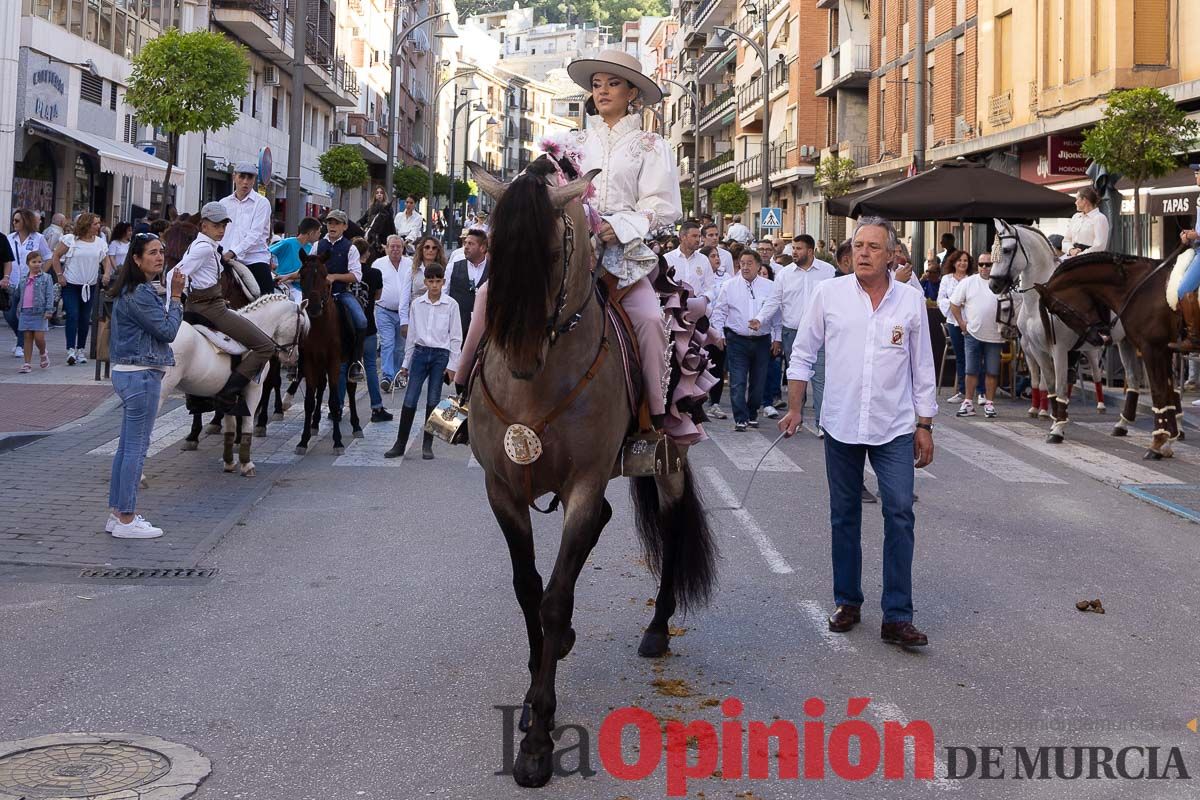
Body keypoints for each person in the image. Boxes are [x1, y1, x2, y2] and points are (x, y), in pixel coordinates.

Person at [779, 216, 937, 648]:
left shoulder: (909, 301)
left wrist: (925, 425)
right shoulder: (828, 295)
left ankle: (897, 616)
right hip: (843, 423)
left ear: (892, 255)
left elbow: (923, 367)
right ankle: (848, 601)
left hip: (895, 427)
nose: (863, 252)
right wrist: (795, 408)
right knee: (844, 517)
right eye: (858, 245)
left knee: (900, 512)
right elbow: (803, 353)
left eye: (872, 246)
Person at [566, 48, 683, 430]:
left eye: (613, 84)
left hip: (624, 256)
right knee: (491, 295)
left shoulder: (651, 144)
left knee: (650, 320)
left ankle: (653, 422)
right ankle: (463, 396)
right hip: (570, 250)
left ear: (632, 92)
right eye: (597, 85)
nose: (602, 92)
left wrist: (623, 226)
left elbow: (664, 206)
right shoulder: (572, 143)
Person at [104, 233, 185, 539]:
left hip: (131, 372)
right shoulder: (139, 292)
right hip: (141, 374)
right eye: (152, 253)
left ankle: (117, 513)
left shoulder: (137, 289)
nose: (160, 257)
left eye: (161, 251)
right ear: (136, 259)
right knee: (136, 449)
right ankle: (126, 518)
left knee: (127, 447)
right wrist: (176, 297)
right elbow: (167, 330)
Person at [176, 202, 276, 411]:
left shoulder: (205, 246)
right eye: (216, 225)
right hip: (211, 308)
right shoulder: (204, 248)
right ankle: (228, 395)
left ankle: (197, 397)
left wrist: (186, 295)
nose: (221, 230)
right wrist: (176, 296)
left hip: (200, 303)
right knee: (266, 346)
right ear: (203, 226)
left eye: (223, 225)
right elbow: (176, 274)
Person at [751, 234, 835, 435]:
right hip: (793, 333)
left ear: (811, 251)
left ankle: (821, 424)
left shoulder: (828, 271)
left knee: (820, 378)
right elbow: (774, 301)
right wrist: (760, 319)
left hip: (820, 333)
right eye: (793, 248)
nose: (794, 252)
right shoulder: (785, 274)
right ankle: (795, 417)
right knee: (797, 376)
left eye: (798, 248)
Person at [384, 263, 461, 460]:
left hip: (440, 355)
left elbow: (455, 337)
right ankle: (400, 443)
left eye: (438, 281)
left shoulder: (451, 304)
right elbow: (412, 336)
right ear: (425, 282)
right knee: (410, 398)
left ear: (443, 282)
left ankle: (428, 445)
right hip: (419, 353)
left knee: (434, 399)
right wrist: (405, 364)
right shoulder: (417, 304)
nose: (434, 285)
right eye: (431, 281)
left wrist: (453, 365)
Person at [710, 250, 780, 431]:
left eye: (750, 263)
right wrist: (719, 334)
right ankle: (740, 417)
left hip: (762, 340)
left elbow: (776, 316)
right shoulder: (729, 285)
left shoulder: (770, 286)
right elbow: (720, 312)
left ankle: (752, 412)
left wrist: (777, 338)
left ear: (758, 265)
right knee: (738, 381)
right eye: (742, 263)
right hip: (736, 340)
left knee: (758, 382)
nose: (745, 267)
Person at [49, 212, 114, 366]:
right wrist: (59, 275)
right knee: (73, 315)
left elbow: (106, 261)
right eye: (95, 224)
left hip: (89, 286)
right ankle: (70, 349)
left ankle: (81, 349)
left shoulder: (99, 243)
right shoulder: (70, 240)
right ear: (86, 225)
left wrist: (106, 274)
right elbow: (56, 256)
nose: (98, 227)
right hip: (71, 284)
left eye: (98, 223)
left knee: (86, 318)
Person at [337, 238, 391, 422]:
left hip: (346, 329)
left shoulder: (345, 273)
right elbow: (378, 296)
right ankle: (376, 407)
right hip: (368, 327)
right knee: (370, 367)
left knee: (343, 367)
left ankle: (336, 407)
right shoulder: (375, 273)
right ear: (367, 254)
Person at [316, 210, 368, 383]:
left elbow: (356, 276)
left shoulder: (350, 248)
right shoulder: (318, 245)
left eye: (337, 223)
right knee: (298, 318)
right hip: (319, 295)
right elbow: (308, 267)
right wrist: (286, 276)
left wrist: (335, 277)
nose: (332, 226)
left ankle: (355, 362)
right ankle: (297, 361)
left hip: (340, 292)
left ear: (345, 226)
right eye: (330, 223)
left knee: (361, 321)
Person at [949, 253, 1004, 418]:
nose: (985, 268)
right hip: (973, 332)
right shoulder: (969, 282)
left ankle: (989, 403)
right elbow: (954, 304)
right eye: (981, 264)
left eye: (988, 264)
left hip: (995, 334)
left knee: (992, 371)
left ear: (994, 265)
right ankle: (968, 402)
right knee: (971, 370)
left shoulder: (1002, 283)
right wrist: (961, 323)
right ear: (978, 265)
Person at [220, 161, 274, 297]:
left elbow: (255, 235)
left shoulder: (262, 203)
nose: (245, 182)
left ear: (254, 180)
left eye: (249, 178)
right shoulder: (223, 203)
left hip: (254, 259)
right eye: (241, 177)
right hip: (224, 258)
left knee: (268, 300)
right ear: (234, 177)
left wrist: (232, 252)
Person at [936, 250, 982, 404]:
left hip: (971, 321)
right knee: (961, 357)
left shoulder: (973, 279)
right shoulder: (947, 279)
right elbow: (941, 299)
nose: (963, 263)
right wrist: (955, 304)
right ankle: (962, 391)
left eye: (965, 261)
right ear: (954, 262)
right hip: (953, 321)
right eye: (960, 261)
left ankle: (981, 391)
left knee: (976, 355)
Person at [4, 208, 53, 353]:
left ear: (25, 221)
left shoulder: (38, 238)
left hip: (29, 283)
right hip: (13, 281)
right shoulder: (10, 238)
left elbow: (49, 257)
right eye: (13, 220)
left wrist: (40, 273)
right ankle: (21, 338)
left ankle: (21, 344)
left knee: (24, 314)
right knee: (9, 314)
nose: (14, 223)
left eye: (17, 220)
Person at [374, 235, 412, 393]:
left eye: (399, 246)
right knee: (387, 343)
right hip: (384, 310)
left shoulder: (410, 264)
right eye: (392, 246)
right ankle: (387, 376)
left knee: (400, 347)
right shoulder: (378, 264)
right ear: (386, 247)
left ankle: (398, 374)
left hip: (405, 313)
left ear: (403, 248)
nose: (396, 249)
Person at [445, 228, 488, 336]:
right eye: (465, 243)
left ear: (482, 248)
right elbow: (444, 295)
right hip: (457, 328)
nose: (466, 247)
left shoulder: (495, 270)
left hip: (485, 330)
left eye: (471, 244)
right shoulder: (452, 267)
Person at [268, 216, 322, 302]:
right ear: (311, 233)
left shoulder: (311, 248)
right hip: (283, 284)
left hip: (301, 286)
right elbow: (267, 252)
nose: (320, 235)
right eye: (319, 232)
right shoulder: (288, 243)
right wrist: (271, 267)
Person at [16, 252, 54, 372]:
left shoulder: (47, 278)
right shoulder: (23, 279)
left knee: (39, 337)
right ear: (28, 264)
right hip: (25, 311)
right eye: (34, 262)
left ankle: (43, 353)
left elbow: (49, 295)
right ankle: (27, 363)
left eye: (39, 261)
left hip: (40, 312)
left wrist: (49, 310)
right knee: (27, 336)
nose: (37, 264)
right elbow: (19, 294)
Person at [664, 221, 715, 300]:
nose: (698, 240)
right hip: (674, 307)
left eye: (699, 236)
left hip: (698, 307)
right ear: (683, 237)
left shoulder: (703, 260)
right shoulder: (667, 259)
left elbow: (710, 287)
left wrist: (704, 300)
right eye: (694, 236)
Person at [1065, 187, 1109, 255]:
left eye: (1077, 199)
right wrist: (1071, 250)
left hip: (1090, 259)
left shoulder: (1100, 218)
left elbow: (1099, 246)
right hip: (1072, 256)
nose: (1075, 202)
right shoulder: (1075, 217)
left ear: (1084, 200)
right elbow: (1066, 240)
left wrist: (1079, 255)